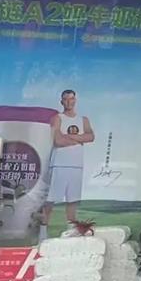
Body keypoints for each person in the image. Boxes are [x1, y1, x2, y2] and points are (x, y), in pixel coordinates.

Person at [43, 89, 93, 237]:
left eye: (71, 99)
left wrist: (70, 137)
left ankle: (71, 233)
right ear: (62, 101)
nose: (69, 102)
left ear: (75, 100)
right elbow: (58, 140)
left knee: (73, 201)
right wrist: (80, 139)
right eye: (66, 99)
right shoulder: (57, 118)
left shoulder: (83, 120)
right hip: (59, 164)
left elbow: (90, 137)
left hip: (76, 166)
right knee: (50, 201)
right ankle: (42, 233)